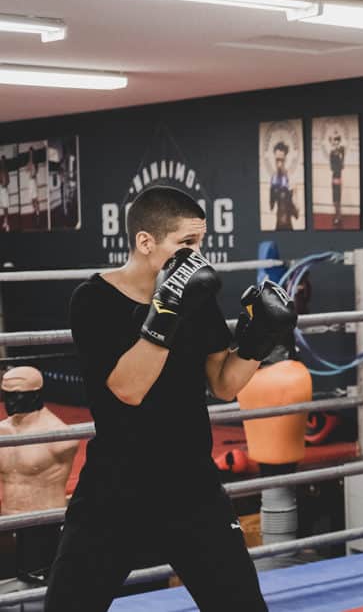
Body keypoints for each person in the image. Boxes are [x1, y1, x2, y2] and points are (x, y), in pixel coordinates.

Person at [46, 185, 296, 611]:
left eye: (200, 243)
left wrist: (258, 342)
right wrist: (167, 310)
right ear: (146, 242)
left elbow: (223, 383)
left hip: (191, 485)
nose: (197, 255)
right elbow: (128, 388)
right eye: (186, 244)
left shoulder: (196, 298)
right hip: (116, 488)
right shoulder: (93, 300)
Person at [0, 367, 78, 585]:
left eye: (17, 395)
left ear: (35, 394)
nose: (10, 402)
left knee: (44, 591)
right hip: (8, 524)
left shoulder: (59, 437)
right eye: (6, 395)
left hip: (44, 525)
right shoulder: (2, 431)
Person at [269, 142, 298, 231]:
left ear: (285, 159)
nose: (279, 163)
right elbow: (271, 206)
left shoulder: (290, 178)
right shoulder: (274, 178)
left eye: (282, 160)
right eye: (277, 160)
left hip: (288, 221)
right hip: (279, 221)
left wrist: (293, 193)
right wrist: (272, 190)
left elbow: (297, 212)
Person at [328, 132, 346, 227]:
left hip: (339, 176)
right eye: (334, 141)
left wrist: (340, 156)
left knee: (338, 199)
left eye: (337, 141)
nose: (335, 143)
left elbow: (342, 165)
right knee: (335, 199)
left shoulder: (341, 151)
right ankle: (336, 216)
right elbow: (332, 167)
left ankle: (338, 217)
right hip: (334, 176)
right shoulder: (331, 153)